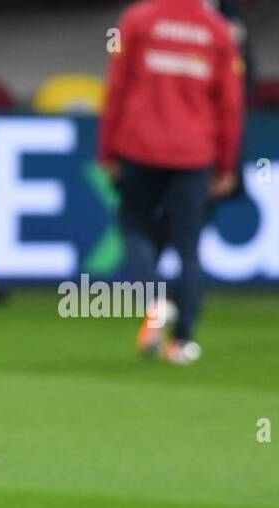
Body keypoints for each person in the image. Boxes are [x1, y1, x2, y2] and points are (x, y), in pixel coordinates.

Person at [98, 0, 244, 365]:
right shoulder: (217, 29)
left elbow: (116, 83)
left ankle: (154, 302)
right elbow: (230, 102)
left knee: (134, 226)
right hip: (195, 153)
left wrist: (107, 150)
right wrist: (226, 163)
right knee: (189, 248)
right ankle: (182, 343)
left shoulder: (133, 20)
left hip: (138, 145)